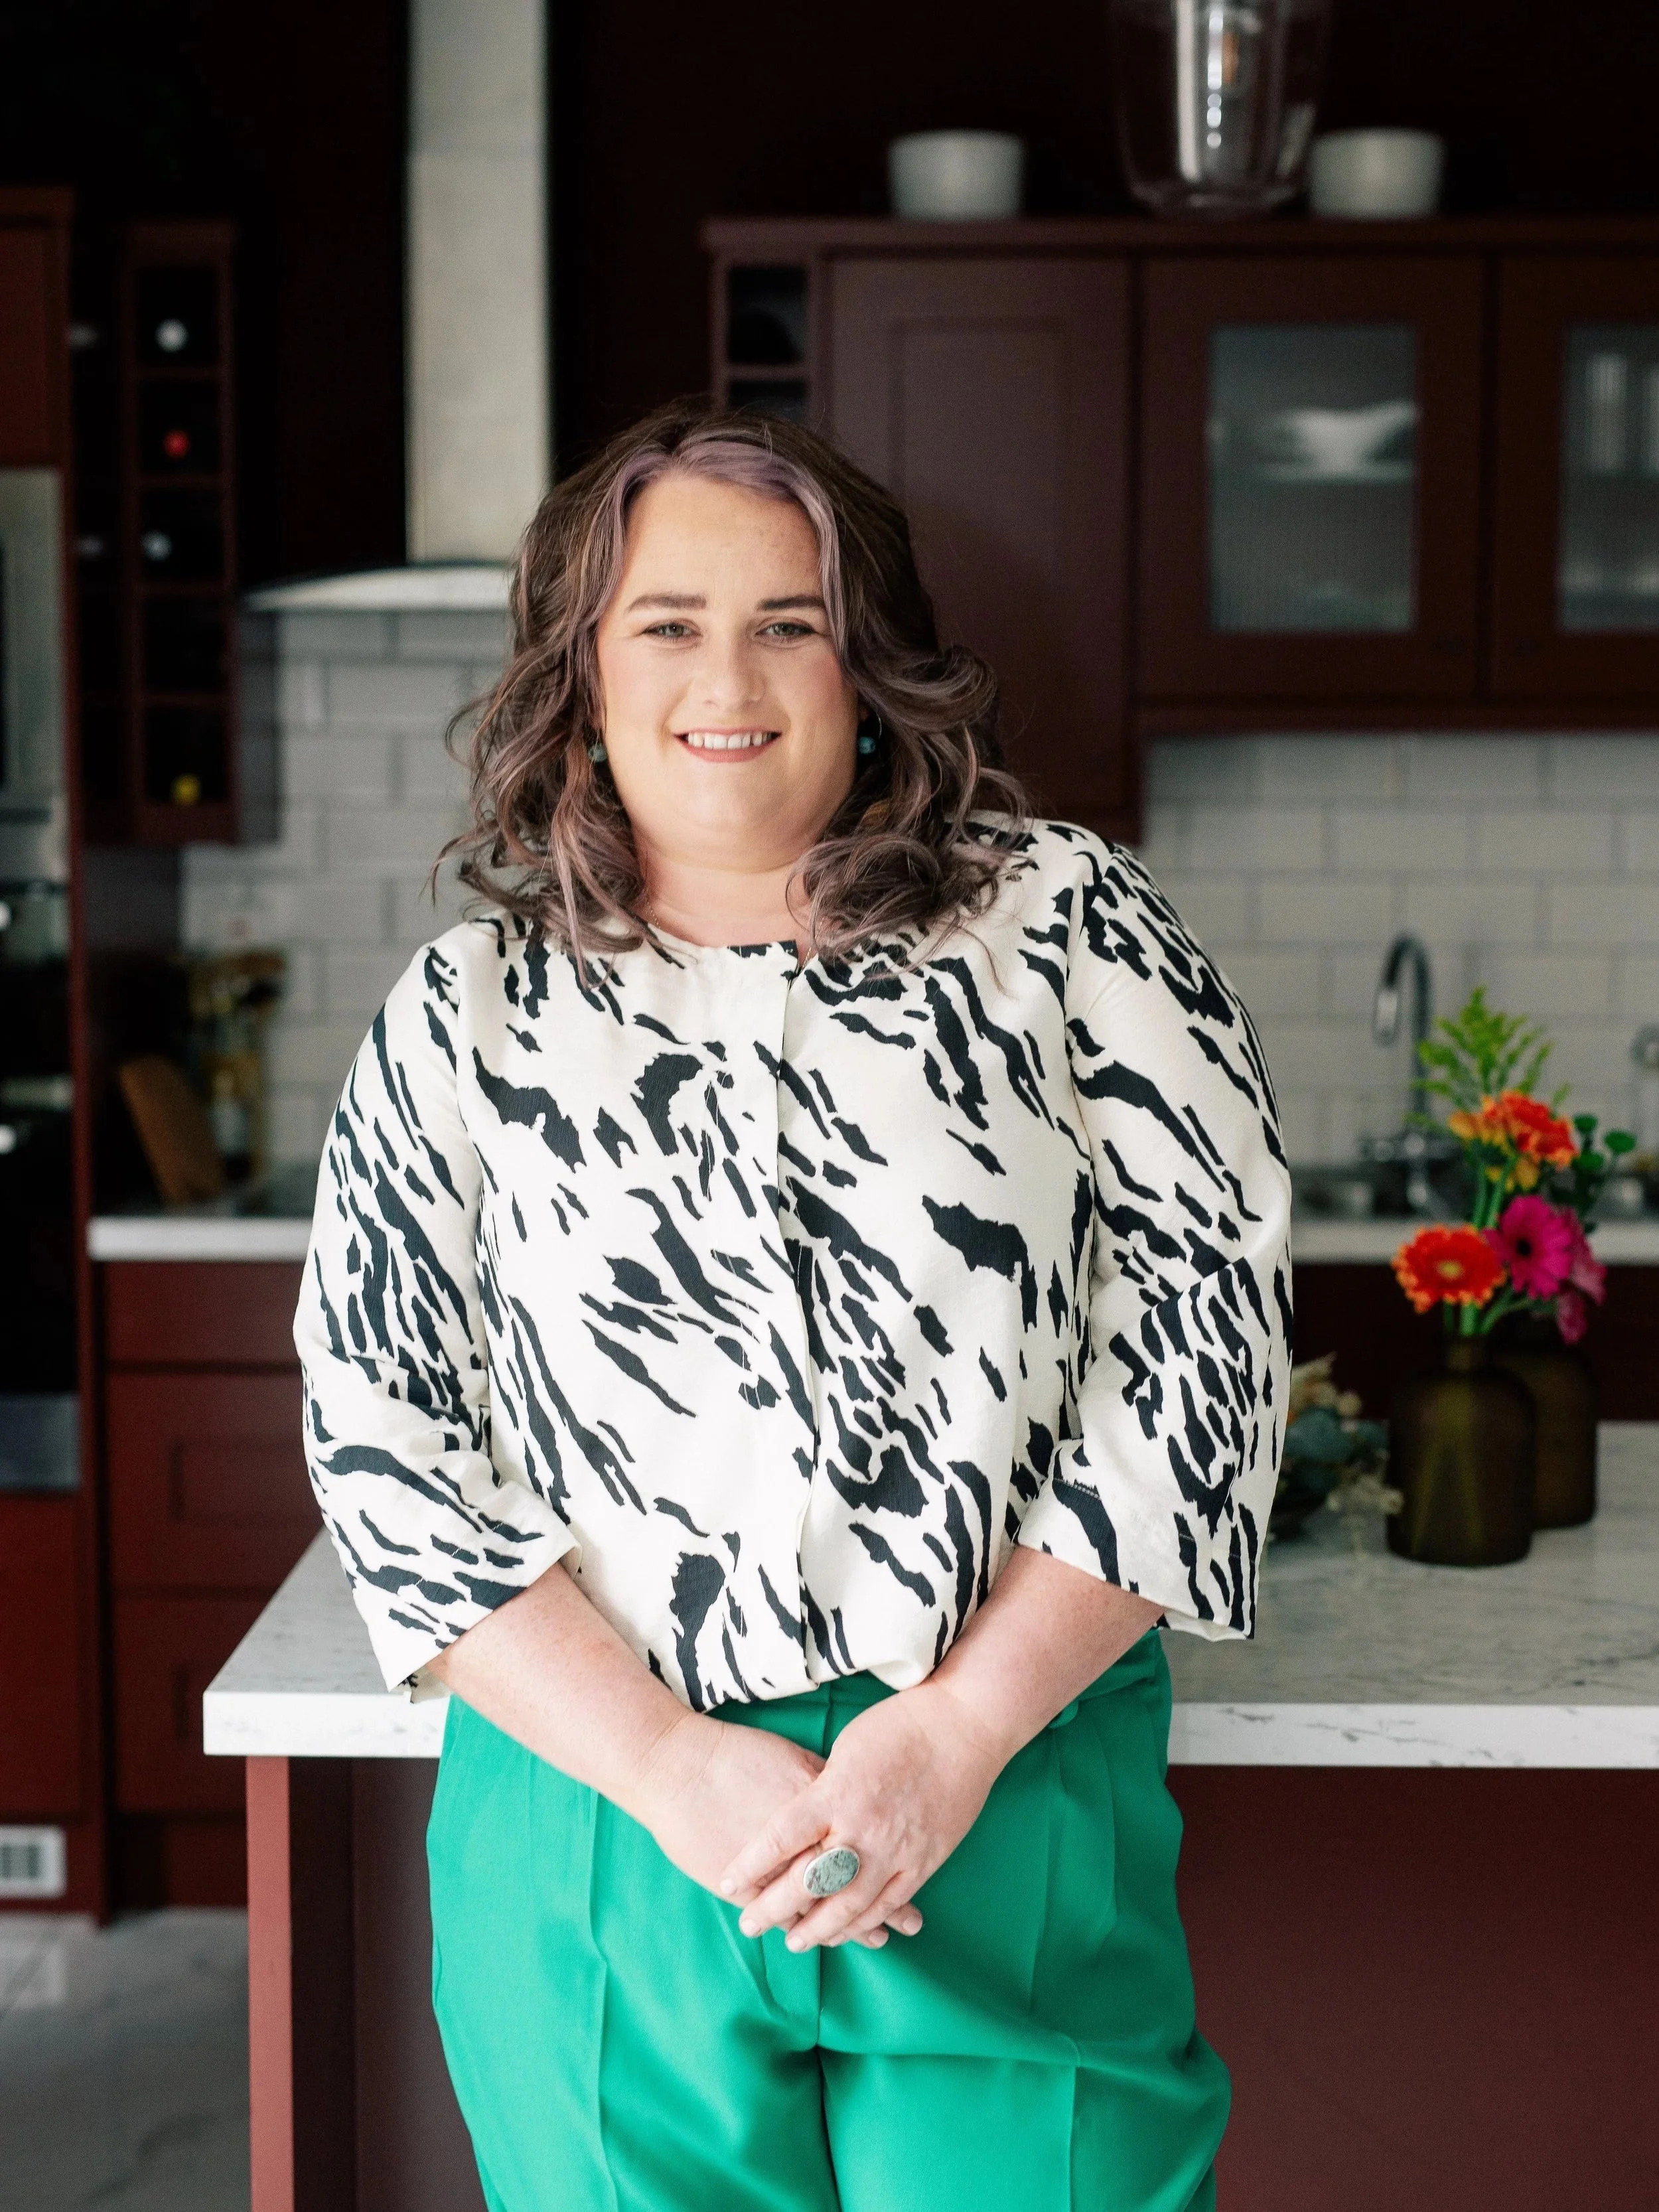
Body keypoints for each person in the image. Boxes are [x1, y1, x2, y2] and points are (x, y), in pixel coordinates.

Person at [295, 400, 1292, 2212]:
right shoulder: (465, 1013)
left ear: (870, 664)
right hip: (602, 1819)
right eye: (664, 622)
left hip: (1006, 1782)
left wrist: (960, 1729)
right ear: (581, 676)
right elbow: (381, 1439)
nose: (724, 674)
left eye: (790, 618)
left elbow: (1200, 1353)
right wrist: (666, 1762)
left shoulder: (1072, 934)